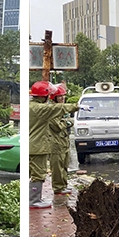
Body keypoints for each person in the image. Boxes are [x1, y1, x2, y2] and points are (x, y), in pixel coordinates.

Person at [27, 80, 62, 209]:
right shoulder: (40, 109)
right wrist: (78, 106)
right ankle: (34, 200)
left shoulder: (30, 106)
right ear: (44, 95)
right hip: (37, 146)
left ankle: (34, 198)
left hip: (32, 145)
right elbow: (58, 110)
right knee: (38, 173)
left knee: (32, 172)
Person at [48, 83, 80, 197]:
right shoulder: (51, 110)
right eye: (60, 96)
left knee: (65, 164)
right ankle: (58, 187)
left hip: (64, 141)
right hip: (55, 142)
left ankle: (63, 185)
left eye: (63, 96)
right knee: (57, 166)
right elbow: (57, 126)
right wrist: (67, 123)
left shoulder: (62, 109)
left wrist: (67, 123)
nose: (62, 98)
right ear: (54, 98)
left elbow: (70, 122)